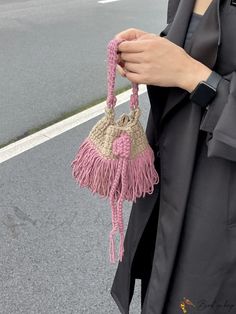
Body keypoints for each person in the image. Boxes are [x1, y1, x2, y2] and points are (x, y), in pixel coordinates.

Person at [110, 0, 236, 313]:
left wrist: (190, 74)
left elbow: (197, 72)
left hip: (220, 212)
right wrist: (156, 54)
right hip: (171, 193)